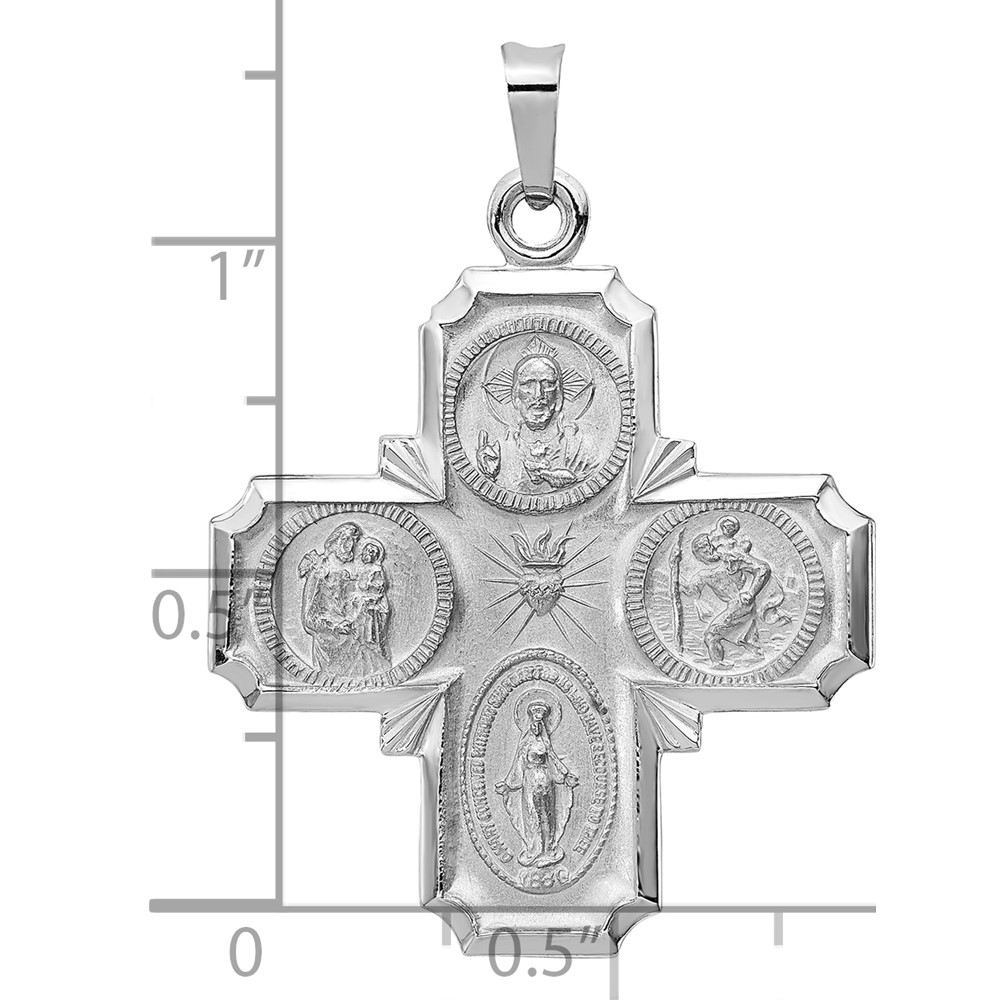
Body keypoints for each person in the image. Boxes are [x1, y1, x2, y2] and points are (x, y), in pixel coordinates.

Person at [477, 351, 596, 492]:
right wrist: (490, 476)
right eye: (528, 384)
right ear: (515, 396)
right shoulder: (500, 449)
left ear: (559, 396)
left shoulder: (581, 448)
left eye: (548, 383)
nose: (538, 394)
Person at [496, 698, 578, 868]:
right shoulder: (525, 744)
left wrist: (566, 775)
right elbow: (518, 764)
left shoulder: (545, 743)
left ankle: (548, 848)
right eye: (534, 724)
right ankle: (534, 849)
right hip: (530, 780)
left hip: (546, 780)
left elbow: (554, 760)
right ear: (530, 725)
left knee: (547, 814)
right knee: (532, 814)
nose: (536, 727)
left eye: (540, 724)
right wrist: (508, 784)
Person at [356, 538, 390, 659]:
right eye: (368, 551)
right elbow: (360, 586)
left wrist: (369, 587)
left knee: (374, 629)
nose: (370, 554)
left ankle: (376, 650)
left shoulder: (377, 569)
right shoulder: (362, 569)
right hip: (365, 603)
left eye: (373, 552)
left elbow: (380, 586)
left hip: (376, 605)